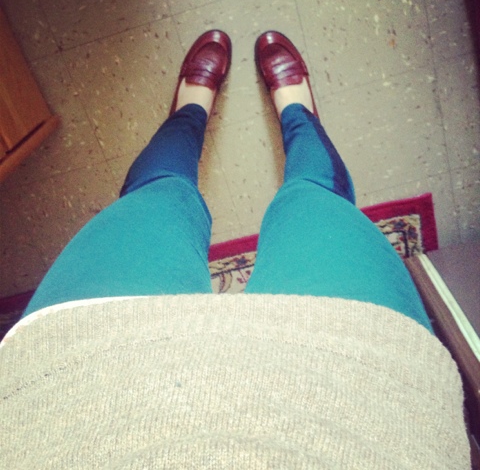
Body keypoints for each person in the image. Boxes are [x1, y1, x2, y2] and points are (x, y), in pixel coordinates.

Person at [0, 30, 469, 468]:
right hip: (368, 402)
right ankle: (298, 116)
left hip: (73, 386)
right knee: (314, 200)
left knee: (161, 196)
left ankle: (189, 113)